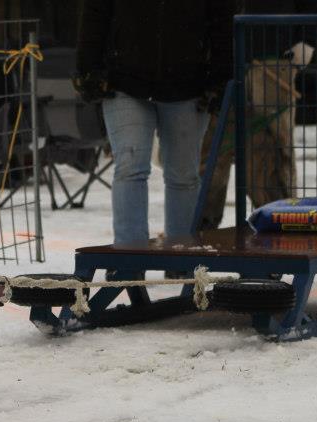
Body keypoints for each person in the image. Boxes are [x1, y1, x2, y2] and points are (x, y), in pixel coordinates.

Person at [74, 0, 237, 246]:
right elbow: (96, 11)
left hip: (189, 83)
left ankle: (182, 260)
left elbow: (222, 17)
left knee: (183, 176)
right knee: (130, 168)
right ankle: (129, 260)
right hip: (123, 81)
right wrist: (87, 68)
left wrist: (221, 77)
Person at [198, 0, 317, 231]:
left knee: (270, 152)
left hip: (273, 54)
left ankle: (279, 228)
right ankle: (199, 236)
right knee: (211, 154)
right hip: (220, 58)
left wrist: (308, 40)